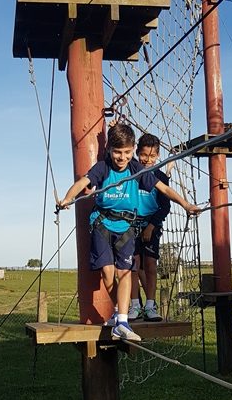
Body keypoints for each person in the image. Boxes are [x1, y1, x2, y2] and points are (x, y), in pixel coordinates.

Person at [57, 122, 200, 342]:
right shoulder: (103, 168)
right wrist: (68, 198)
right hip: (102, 224)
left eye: (126, 152)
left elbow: (164, 188)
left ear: (133, 149)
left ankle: (122, 321)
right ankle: (119, 310)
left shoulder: (137, 169)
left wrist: (186, 204)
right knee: (107, 273)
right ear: (109, 150)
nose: (122, 157)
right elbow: (83, 182)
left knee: (124, 272)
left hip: (126, 228)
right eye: (117, 152)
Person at [129, 133, 171, 322]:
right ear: (137, 153)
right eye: (144, 155)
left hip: (151, 225)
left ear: (158, 155)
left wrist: (151, 226)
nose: (148, 160)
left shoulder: (160, 177)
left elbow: (165, 206)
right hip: (130, 223)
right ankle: (135, 305)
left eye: (152, 156)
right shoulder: (130, 172)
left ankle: (150, 305)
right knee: (132, 265)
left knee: (150, 264)